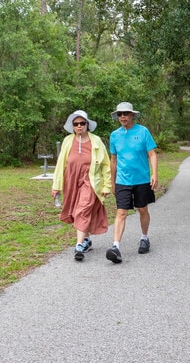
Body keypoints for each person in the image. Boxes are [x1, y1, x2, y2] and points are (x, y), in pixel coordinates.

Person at [52, 110, 111, 261]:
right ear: (72, 126)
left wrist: (107, 186)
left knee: (82, 208)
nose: (79, 126)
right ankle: (86, 240)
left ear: (87, 124)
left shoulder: (96, 141)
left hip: (90, 180)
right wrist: (56, 186)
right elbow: (60, 165)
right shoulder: (67, 141)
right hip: (71, 180)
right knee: (75, 209)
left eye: (82, 123)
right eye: (76, 124)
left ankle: (78, 246)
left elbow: (105, 165)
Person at [105, 102, 158, 264]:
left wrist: (154, 173)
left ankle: (144, 238)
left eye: (126, 114)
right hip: (122, 180)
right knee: (121, 212)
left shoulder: (143, 132)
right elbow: (113, 160)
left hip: (141, 179)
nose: (123, 117)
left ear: (132, 115)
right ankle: (115, 247)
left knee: (142, 209)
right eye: (120, 114)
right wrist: (112, 181)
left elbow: (152, 154)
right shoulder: (115, 135)